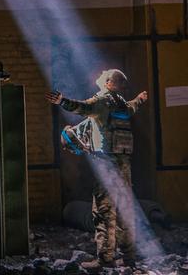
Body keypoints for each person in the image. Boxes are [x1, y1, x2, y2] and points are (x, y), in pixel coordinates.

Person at [46, 69, 148, 267]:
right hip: (124, 164)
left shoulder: (102, 101)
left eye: (105, 75)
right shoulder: (121, 104)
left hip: (106, 164)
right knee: (125, 210)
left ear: (110, 83)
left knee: (103, 211)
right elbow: (132, 107)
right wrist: (141, 98)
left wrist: (61, 101)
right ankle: (129, 256)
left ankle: (105, 259)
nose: (101, 75)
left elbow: (81, 107)